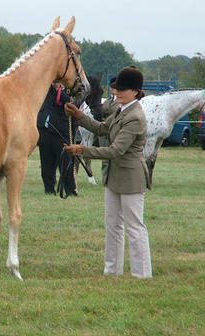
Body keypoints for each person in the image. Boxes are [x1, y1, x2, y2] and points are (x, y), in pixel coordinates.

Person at [63, 66, 152, 278]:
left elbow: (116, 150)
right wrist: (79, 116)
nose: (117, 92)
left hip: (131, 177)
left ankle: (142, 274)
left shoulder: (135, 116)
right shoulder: (121, 109)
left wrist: (83, 150)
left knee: (134, 227)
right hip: (113, 177)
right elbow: (103, 129)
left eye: (123, 89)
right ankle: (112, 270)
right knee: (113, 225)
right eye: (117, 88)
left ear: (136, 91)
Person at [37, 81, 76, 196]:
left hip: (60, 132)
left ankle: (70, 189)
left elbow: (70, 102)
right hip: (44, 130)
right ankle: (49, 189)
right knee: (46, 164)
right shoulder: (45, 88)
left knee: (65, 162)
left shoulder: (68, 90)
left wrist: (60, 89)